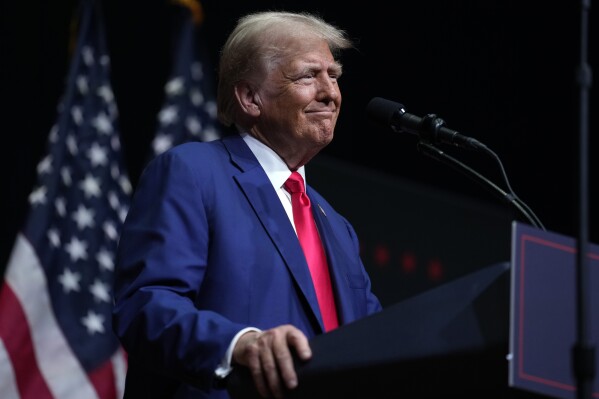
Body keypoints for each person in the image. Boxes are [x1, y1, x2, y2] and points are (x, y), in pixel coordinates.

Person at [112, 10, 382, 399]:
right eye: (308, 75)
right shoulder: (194, 173)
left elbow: (374, 341)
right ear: (250, 98)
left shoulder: (337, 227)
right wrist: (238, 345)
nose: (330, 92)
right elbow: (146, 306)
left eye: (334, 75)